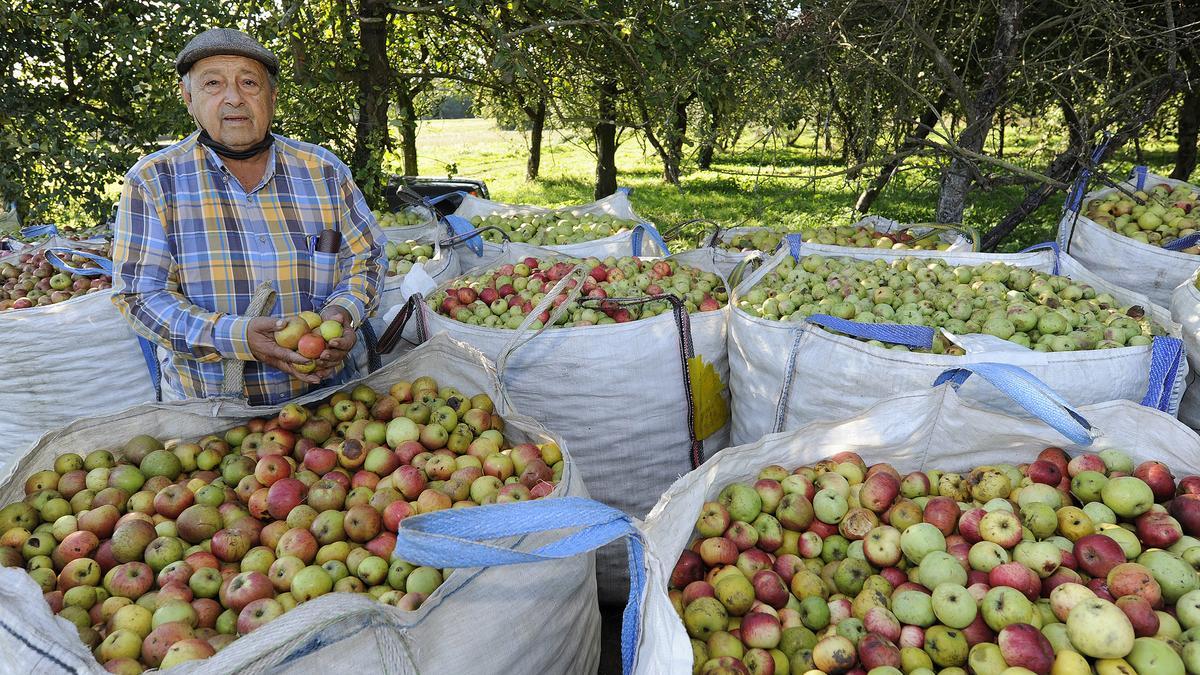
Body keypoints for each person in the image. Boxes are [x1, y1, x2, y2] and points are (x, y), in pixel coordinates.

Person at [111, 28, 384, 405]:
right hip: (211, 412)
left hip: (328, 399)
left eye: (249, 82)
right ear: (188, 98)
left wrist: (344, 314)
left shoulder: (323, 171)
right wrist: (236, 337)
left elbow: (366, 260)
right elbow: (140, 296)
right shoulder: (153, 182)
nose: (234, 98)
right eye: (213, 84)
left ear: (272, 97)